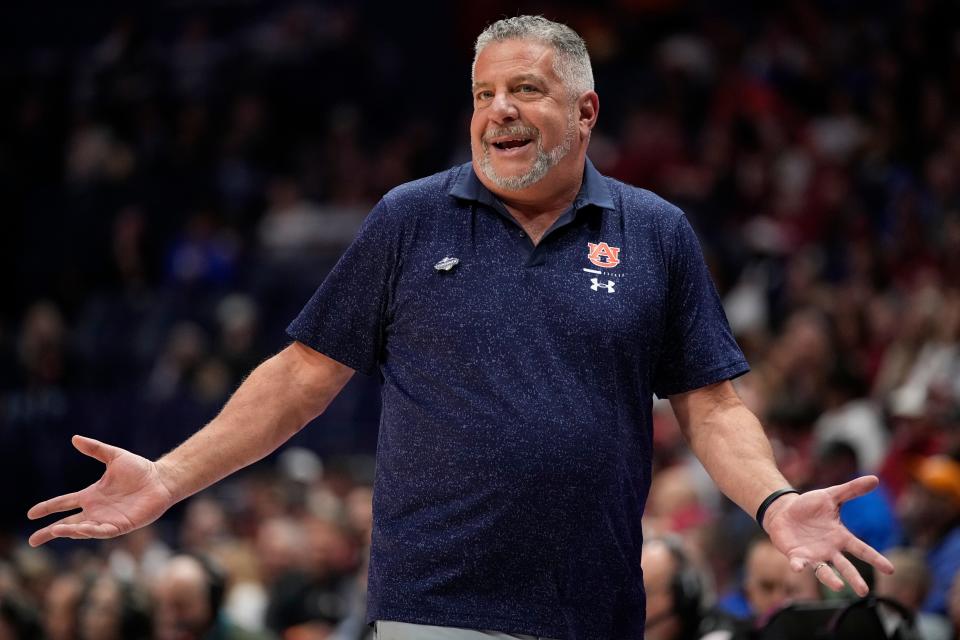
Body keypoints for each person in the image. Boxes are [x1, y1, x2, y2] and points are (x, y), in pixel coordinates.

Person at [27, 15, 893, 640]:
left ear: (586, 112)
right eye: (483, 92)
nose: (498, 111)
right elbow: (299, 379)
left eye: (526, 89)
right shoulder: (410, 218)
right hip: (434, 607)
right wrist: (170, 478)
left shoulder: (655, 231)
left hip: (596, 610)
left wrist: (774, 500)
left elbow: (713, 405)